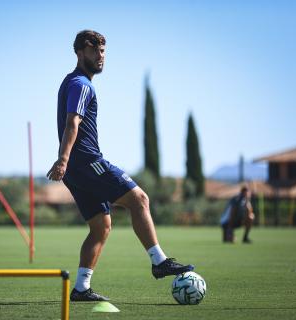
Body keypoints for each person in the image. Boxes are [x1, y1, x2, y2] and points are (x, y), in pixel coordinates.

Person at [47, 30, 194, 302]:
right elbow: (72, 123)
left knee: (101, 227)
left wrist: (66, 163)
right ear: (80, 53)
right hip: (87, 162)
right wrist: (64, 158)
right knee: (139, 198)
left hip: (77, 171)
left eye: (103, 51)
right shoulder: (81, 84)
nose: (100, 56)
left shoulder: (74, 82)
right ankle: (159, 261)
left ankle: (80, 289)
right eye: (94, 51)